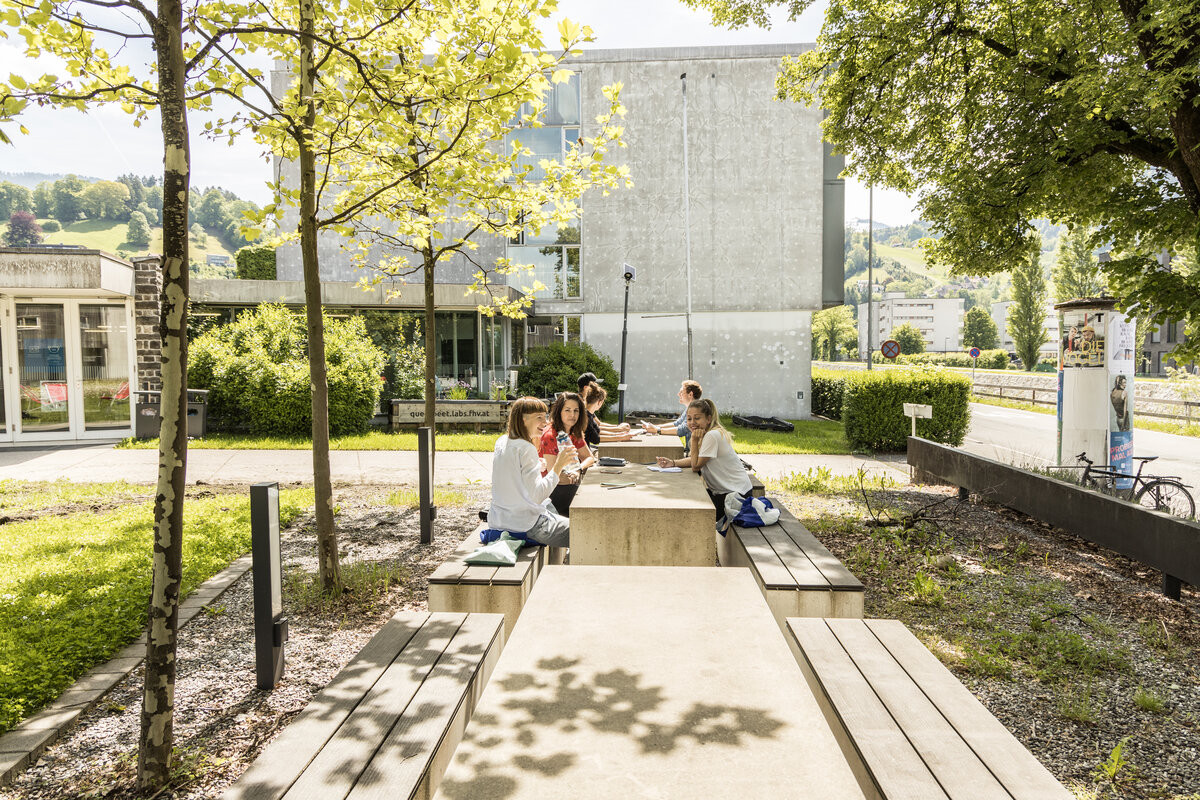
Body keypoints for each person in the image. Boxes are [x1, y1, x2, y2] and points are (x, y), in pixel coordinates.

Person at [488, 396, 574, 547]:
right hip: (526, 526)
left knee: (554, 509)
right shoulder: (526, 448)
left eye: (546, 416)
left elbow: (511, 475)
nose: (545, 422)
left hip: (499, 522)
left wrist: (538, 466)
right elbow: (538, 496)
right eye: (539, 417)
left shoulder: (501, 441)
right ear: (522, 420)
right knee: (586, 532)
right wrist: (558, 466)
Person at [657, 398, 752, 521]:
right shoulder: (707, 434)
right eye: (689, 418)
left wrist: (694, 440)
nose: (692, 422)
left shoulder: (712, 435)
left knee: (691, 513)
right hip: (725, 492)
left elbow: (696, 466)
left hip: (736, 496)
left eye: (697, 418)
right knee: (686, 497)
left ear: (708, 419)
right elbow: (695, 459)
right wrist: (673, 463)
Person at [537, 392, 596, 516]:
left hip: (568, 483)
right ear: (559, 412)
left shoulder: (574, 431)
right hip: (550, 491)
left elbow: (590, 457)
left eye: (576, 411)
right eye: (567, 410)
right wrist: (573, 476)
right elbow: (556, 476)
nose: (572, 415)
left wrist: (578, 469)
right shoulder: (550, 435)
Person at [644, 380, 702, 452]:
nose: (678, 394)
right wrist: (656, 427)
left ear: (690, 394)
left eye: (681, 392)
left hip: (696, 454)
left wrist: (657, 430)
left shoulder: (696, 410)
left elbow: (682, 430)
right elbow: (677, 423)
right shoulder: (690, 407)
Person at [578, 371, 631, 436]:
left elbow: (598, 424)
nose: (597, 387)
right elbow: (594, 429)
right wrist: (618, 430)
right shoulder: (579, 403)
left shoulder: (587, 401)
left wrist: (618, 427)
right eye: (594, 385)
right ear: (586, 387)